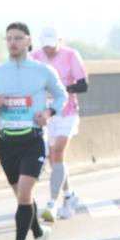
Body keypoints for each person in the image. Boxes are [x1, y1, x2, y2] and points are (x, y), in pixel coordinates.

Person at [0, 22, 65, 240]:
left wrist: (49, 112)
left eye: (18, 38)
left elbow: (62, 95)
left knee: (24, 195)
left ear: (28, 41)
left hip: (33, 140)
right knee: (24, 198)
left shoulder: (43, 71)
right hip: (6, 142)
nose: (13, 42)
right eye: (9, 38)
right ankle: (40, 233)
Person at [31, 27, 88, 221]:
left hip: (67, 112)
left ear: (59, 42)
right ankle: (69, 195)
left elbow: (83, 84)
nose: (48, 50)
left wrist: (61, 89)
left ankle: (52, 202)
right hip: (46, 114)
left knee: (58, 151)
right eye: (45, 46)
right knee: (53, 157)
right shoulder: (35, 57)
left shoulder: (71, 55)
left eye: (52, 46)